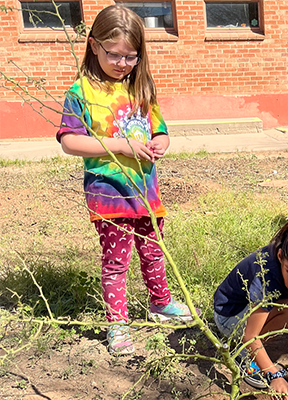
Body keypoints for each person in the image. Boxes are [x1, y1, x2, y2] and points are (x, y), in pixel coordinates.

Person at [56, 5, 197, 355]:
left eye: (131, 57)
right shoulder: (81, 92)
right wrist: (122, 146)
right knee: (117, 262)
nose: (122, 63)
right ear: (93, 46)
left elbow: (160, 130)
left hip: (146, 195)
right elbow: (69, 141)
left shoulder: (141, 88)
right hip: (110, 196)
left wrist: (159, 143)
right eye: (114, 55)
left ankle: (160, 304)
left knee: (153, 253)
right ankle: (117, 323)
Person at [213, 215, 288, 399]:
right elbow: (250, 335)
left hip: (257, 309)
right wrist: (273, 374)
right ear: (280, 256)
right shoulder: (266, 277)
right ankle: (245, 356)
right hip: (230, 317)